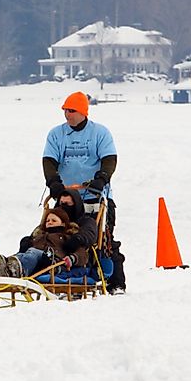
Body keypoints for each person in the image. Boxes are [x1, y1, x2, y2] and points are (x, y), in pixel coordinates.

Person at [42, 91, 126, 294]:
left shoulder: (100, 133)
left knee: (102, 239)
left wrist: (101, 178)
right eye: (65, 110)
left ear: (82, 112)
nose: (67, 115)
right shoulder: (56, 134)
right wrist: (53, 182)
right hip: (67, 197)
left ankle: (116, 282)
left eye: (71, 111)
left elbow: (109, 159)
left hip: (96, 196)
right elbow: (49, 160)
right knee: (59, 235)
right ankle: (63, 275)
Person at [0, 207, 88, 278]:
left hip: (53, 262)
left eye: (53, 220)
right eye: (47, 220)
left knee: (33, 251)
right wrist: (26, 243)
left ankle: (21, 271)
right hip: (35, 262)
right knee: (21, 254)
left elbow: (82, 254)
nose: (49, 222)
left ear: (63, 223)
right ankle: (7, 266)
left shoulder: (67, 237)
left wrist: (72, 258)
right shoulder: (40, 235)